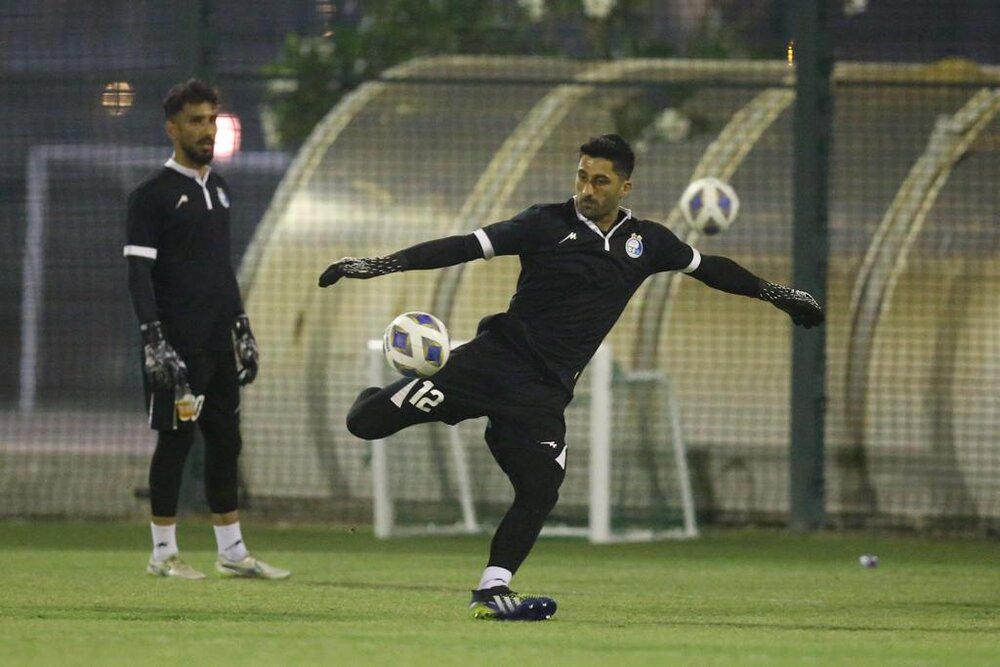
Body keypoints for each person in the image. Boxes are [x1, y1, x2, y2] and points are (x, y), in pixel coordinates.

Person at [318, 134, 823, 619]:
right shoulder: (544, 223)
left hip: (542, 395)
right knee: (366, 423)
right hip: (488, 364)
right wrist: (383, 264)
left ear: (625, 187)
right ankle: (380, 393)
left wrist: (778, 295)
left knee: (541, 488)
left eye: (600, 181)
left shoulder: (648, 242)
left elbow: (712, 267)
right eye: (582, 176)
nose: (586, 189)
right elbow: (462, 246)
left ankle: (493, 590)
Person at [124, 79, 289, 580]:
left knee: (226, 440)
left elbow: (220, 270)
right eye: (196, 121)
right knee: (175, 443)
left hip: (217, 342)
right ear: (172, 129)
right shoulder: (151, 196)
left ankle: (232, 551)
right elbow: (138, 273)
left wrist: (241, 327)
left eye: (212, 119)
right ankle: (162, 553)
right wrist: (154, 338)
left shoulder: (219, 189)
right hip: (177, 344)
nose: (207, 130)